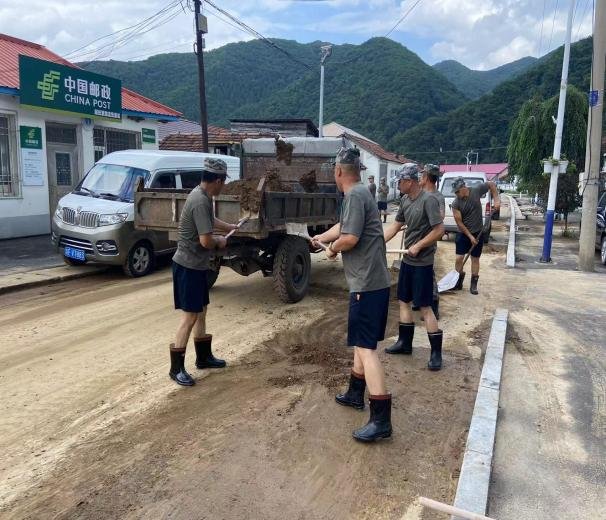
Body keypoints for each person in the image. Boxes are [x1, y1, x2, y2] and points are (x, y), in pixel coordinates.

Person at [312, 147, 392, 442]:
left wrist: (333, 249)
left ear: (338, 172)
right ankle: (355, 394)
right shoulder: (358, 193)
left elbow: (350, 238)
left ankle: (381, 420)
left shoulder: (355, 195)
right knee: (361, 343)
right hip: (370, 282)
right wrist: (322, 238)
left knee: (366, 348)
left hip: (368, 284)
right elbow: (343, 228)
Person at [169, 158, 237, 386]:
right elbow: (206, 240)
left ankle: (203, 357)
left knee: (202, 310)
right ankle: (176, 368)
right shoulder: (200, 200)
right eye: (223, 182)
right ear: (217, 180)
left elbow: (210, 221)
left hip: (195, 266)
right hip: (188, 266)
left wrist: (229, 227)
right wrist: (219, 241)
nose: (223, 186)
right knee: (189, 317)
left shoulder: (203, 196)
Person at [383, 163, 445, 371]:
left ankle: (436, 353)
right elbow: (395, 225)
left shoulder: (428, 200)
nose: (398, 185)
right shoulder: (404, 201)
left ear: (409, 181)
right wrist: (378, 243)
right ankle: (405, 343)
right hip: (408, 261)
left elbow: (439, 230)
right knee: (403, 301)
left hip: (423, 263)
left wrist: (419, 245)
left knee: (425, 307)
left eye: (400, 182)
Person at [450, 177, 500, 295]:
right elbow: (459, 223)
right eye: (455, 192)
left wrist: (496, 200)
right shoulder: (456, 203)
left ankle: (473, 284)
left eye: (457, 191)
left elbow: (491, 184)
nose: (456, 194)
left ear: (463, 187)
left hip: (478, 232)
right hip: (463, 233)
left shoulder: (476, 190)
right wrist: (470, 237)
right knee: (459, 259)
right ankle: (458, 281)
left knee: (475, 259)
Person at [419, 164, 445, 319]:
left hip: (428, 241)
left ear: (427, 177)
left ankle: (433, 303)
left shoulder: (437, 196)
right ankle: (420, 301)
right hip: (415, 239)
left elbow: (440, 217)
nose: (420, 177)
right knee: (418, 273)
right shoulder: (419, 193)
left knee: (429, 273)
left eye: (422, 175)